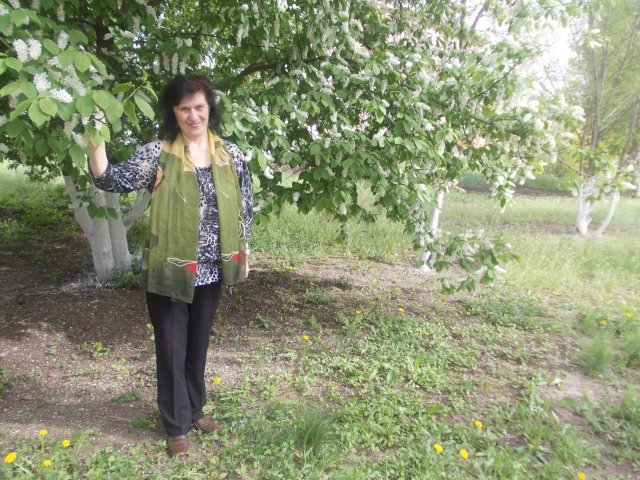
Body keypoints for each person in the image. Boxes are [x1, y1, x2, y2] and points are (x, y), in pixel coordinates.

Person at [87, 75, 253, 458]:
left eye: (199, 107)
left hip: (213, 268)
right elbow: (110, 179)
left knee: (197, 344)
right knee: (171, 346)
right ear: (173, 112)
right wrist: (93, 134)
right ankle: (176, 426)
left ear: (210, 108)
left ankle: (195, 410)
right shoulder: (158, 154)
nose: (193, 115)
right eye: (184, 108)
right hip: (170, 268)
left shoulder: (231, 154)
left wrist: (246, 253)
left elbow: (245, 206)